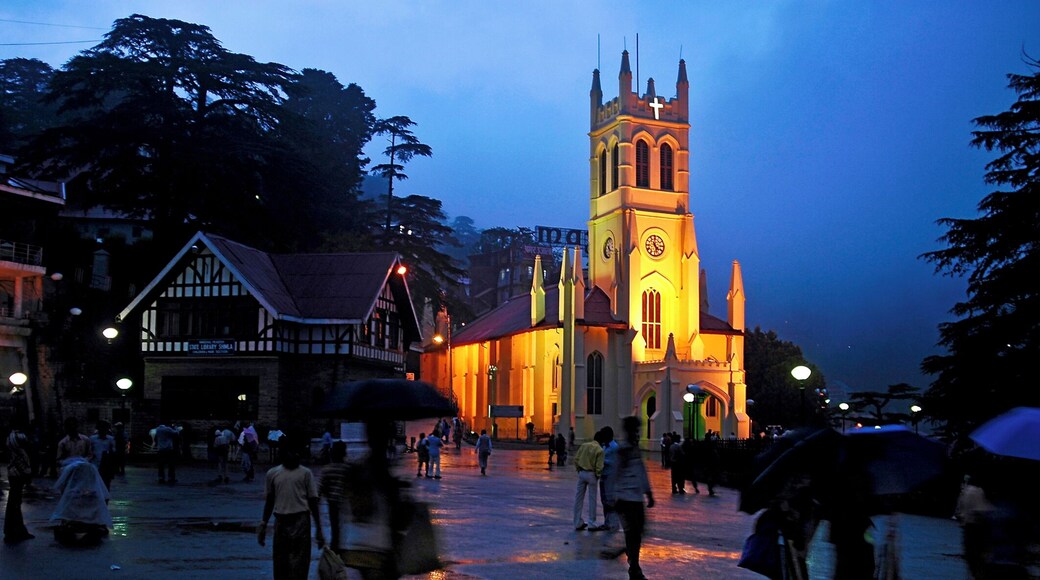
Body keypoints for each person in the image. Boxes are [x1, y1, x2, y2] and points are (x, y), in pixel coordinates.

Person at [258, 436, 325, 580]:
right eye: (289, 451)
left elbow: (313, 501)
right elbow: (270, 501)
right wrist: (263, 524)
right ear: (282, 453)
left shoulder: (306, 473)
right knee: (280, 565)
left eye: (295, 451)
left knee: (300, 566)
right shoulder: (273, 474)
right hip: (281, 521)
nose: (294, 455)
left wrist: (319, 528)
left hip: (301, 521)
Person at [603, 416, 654, 580]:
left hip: (636, 498)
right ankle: (633, 566)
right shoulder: (623, 450)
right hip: (626, 498)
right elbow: (614, 474)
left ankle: (628, 556)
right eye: (635, 430)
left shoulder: (633, 449)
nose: (637, 434)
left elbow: (640, 471)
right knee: (634, 533)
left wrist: (648, 491)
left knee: (637, 532)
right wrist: (611, 499)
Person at [5, 419, 34, 543]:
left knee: (13, 502)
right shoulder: (19, 439)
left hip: (13, 474)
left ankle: (13, 530)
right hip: (18, 475)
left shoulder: (10, 438)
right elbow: (23, 463)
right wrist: (27, 474)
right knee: (15, 503)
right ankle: (16, 530)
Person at [319, 441, 349, 552]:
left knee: (335, 530)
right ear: (344, 453)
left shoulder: (326, 470)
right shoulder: (348, 469)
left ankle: (335, 553)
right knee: (345, 531)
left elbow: (319, 492)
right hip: (346, 504)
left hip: (332, 503)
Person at [573, 432, 604, 531]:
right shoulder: (599, 450)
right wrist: (598, 476)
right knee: (592, 499)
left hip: (582, 473)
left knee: (578, 498)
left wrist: (579, 470)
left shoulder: (584, 445)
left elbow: (576, 459)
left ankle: (577, 522)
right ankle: (592, 522)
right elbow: (599, 467)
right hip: (592, 474)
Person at [593, 427, 621, 533]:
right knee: (604, 501)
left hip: (610, 478)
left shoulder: (614, 448)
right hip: (604, 477)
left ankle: (613, 523)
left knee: (610, 501)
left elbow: (615, 463)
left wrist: (601, 462)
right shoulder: (605, 447)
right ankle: (607, 522)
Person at [88, 421, 117, 490]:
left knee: (106, 485)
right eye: (101, 428)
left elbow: (114, 451)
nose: (103, 430)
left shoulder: (110, 439)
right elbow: (89, 451)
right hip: (95, 465)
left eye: (105, 429)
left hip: (106, 466)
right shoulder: (92, 439)